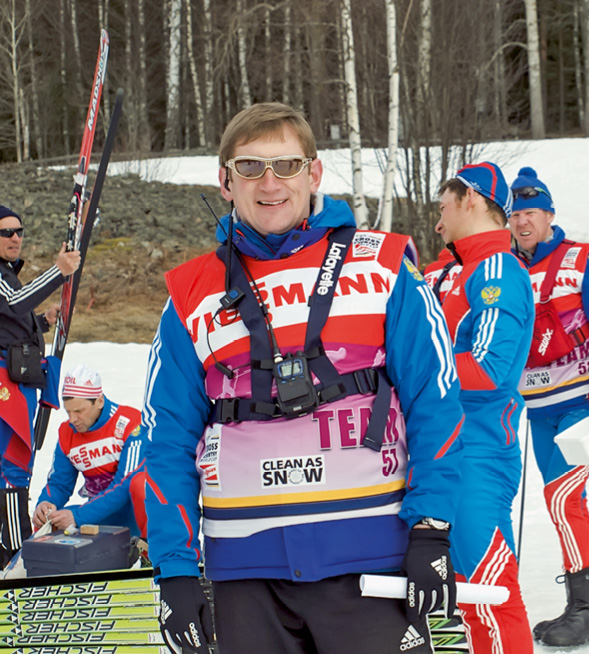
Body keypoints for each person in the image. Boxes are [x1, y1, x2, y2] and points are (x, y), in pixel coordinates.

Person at [142, 102, 466, 654]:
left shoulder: (384, 267)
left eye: (286, 165)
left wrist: (431, 527)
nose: (270, 184)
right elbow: (165, 439)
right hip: (244, 571)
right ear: (225, 181)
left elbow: (435, 403)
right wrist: (174, 568)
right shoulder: (190, 295)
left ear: (314, 173)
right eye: (249, 168)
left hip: (370, 561)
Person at [508, 166, 589, 647]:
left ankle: (588, 610)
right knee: (558, 502)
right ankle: (583, 608)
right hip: (535, 410)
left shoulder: (585, 260)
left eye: (531, 213)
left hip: (579, 404)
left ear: (549, 215)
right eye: (515, 213)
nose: (522, 222)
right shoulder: (505, 268)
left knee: (564, 499)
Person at [431, 162, 534, 653]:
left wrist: (419, 373)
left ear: (471, 199)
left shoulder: (497, 269)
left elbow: (491, 370)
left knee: (490, 592)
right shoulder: (462, 269)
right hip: (444, 452)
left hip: (477, 452)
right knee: (464, 598)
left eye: (444, 206)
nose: (438, 221)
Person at [0, 205, 80, 566]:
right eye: (7, 232)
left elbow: (12, 318)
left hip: (18, 380)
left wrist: (41, 324)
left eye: (19, 231)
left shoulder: (6, 274)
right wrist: (58, 272)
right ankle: (14, 553)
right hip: (6, 386)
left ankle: (11, 545)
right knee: (12, 465)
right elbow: (15, 304)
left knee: (16, 464)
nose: (16, 237)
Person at [32, 364, 147, 539]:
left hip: (138, 515)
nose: (72, 419)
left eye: (79, 411)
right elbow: (59, 484)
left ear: (99, 401)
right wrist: (46, 504)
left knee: (140, 483)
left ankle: (150, 550)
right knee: (50, 521)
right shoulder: (67, 433)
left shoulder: (130, 424)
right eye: (68, 411)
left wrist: (78, 516)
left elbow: (126, 485)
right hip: (100, 515)